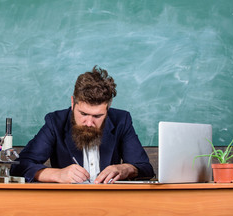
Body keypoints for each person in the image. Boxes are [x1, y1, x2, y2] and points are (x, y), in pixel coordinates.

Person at [10, 66, 154, 183]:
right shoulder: (55, 122)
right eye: (83, 114)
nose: (89, 123)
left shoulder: (122, 120)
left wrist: (125, 169)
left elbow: (146, 169)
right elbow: (19, 166)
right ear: (73, 103)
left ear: (108, 109)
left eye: (98, 116)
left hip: (111, 203)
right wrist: (57, 174)